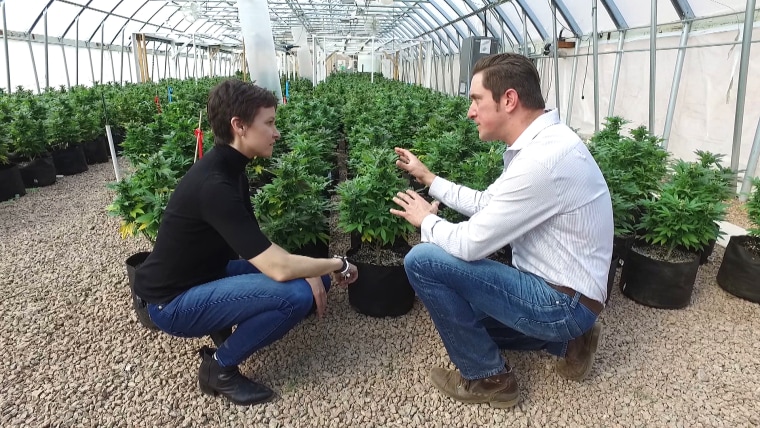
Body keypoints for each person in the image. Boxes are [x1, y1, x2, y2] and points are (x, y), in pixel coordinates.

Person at [390, 53, 613, 409]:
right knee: (464, 320)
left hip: (560, 302)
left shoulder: (542, 162)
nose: (470, 112)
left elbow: (469, 244)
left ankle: (488, 379)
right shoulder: (544, 144)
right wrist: (429, 179)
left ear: (508, 99)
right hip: (570, 294)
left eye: (476, 100)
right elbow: (486, 203)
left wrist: (426, 221)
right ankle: (570, 342)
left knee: (422, 260)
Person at [134, 79, 358, 407]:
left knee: (315, 278)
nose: (276, 132)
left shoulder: (230, 169)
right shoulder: (215, 184)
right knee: (295, 295)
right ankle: (219, 369)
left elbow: (256, 245)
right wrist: (338, 263)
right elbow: (279, 270)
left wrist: (311, 269)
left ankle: (223, 319)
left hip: (207, 274)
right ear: (239, 126)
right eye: (269, 123)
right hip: (173, 301)